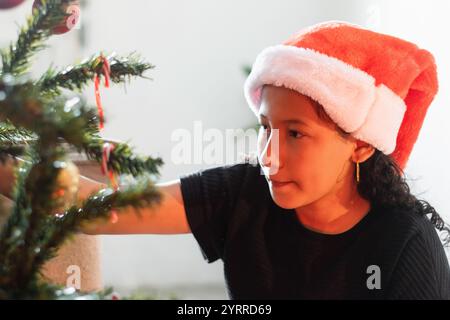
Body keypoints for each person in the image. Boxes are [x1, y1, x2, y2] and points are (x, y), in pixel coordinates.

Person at [1, 21, 449, 300]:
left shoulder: (404, 243)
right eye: (267, 129)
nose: (270, 155)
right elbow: (107, 211)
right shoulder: (244, 193)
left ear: (361, 144)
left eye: (296, 134)